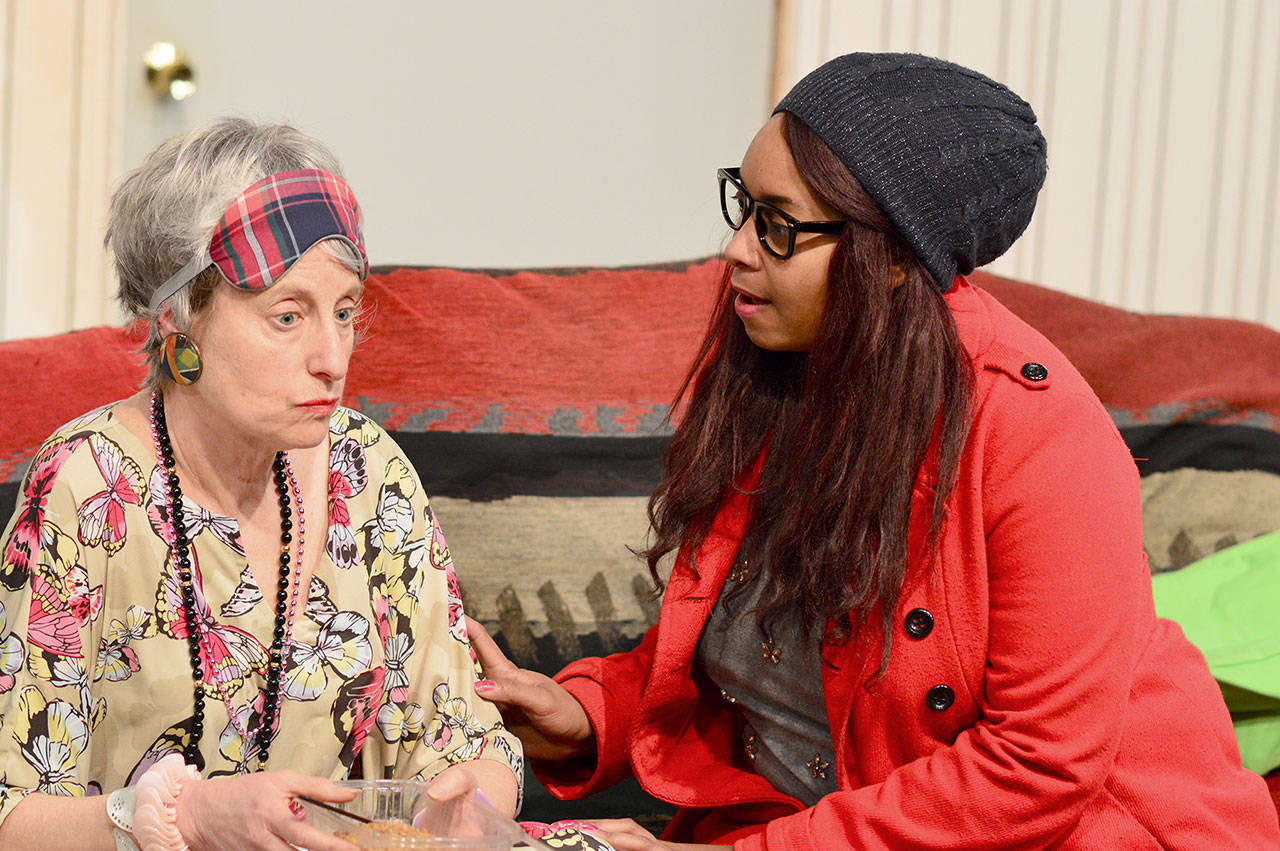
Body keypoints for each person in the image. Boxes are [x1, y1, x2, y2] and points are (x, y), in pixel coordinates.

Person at [467, 53, 1280, 848]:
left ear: (891, 256)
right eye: (742, 206)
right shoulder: (777, 374)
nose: (737, 249)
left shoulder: (1039, 436)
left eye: (778, 225)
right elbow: (749, 654)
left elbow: (1037, 766)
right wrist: (579, 712)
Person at [0, 118, 522, 851]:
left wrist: (468, 802)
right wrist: (184, 819)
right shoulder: (87, 484)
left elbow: (465, 741)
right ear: (179, 320)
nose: (331, 356)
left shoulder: (368, 470)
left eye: (344, 312)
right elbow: (14, 815)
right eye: (288, 315)